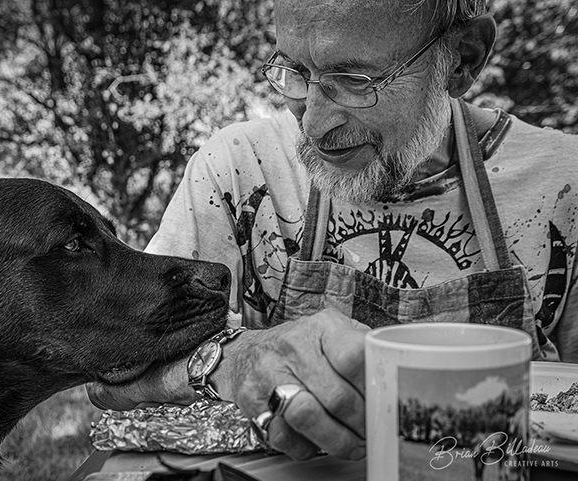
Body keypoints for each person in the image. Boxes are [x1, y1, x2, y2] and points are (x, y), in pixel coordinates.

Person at [87, 0, 578, 463]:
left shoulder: (564, 183)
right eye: (294, 71)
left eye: (354, 80)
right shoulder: (238, 170)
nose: (314, 126)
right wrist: (235, 359)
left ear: (462, 60)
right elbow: (107, 373)